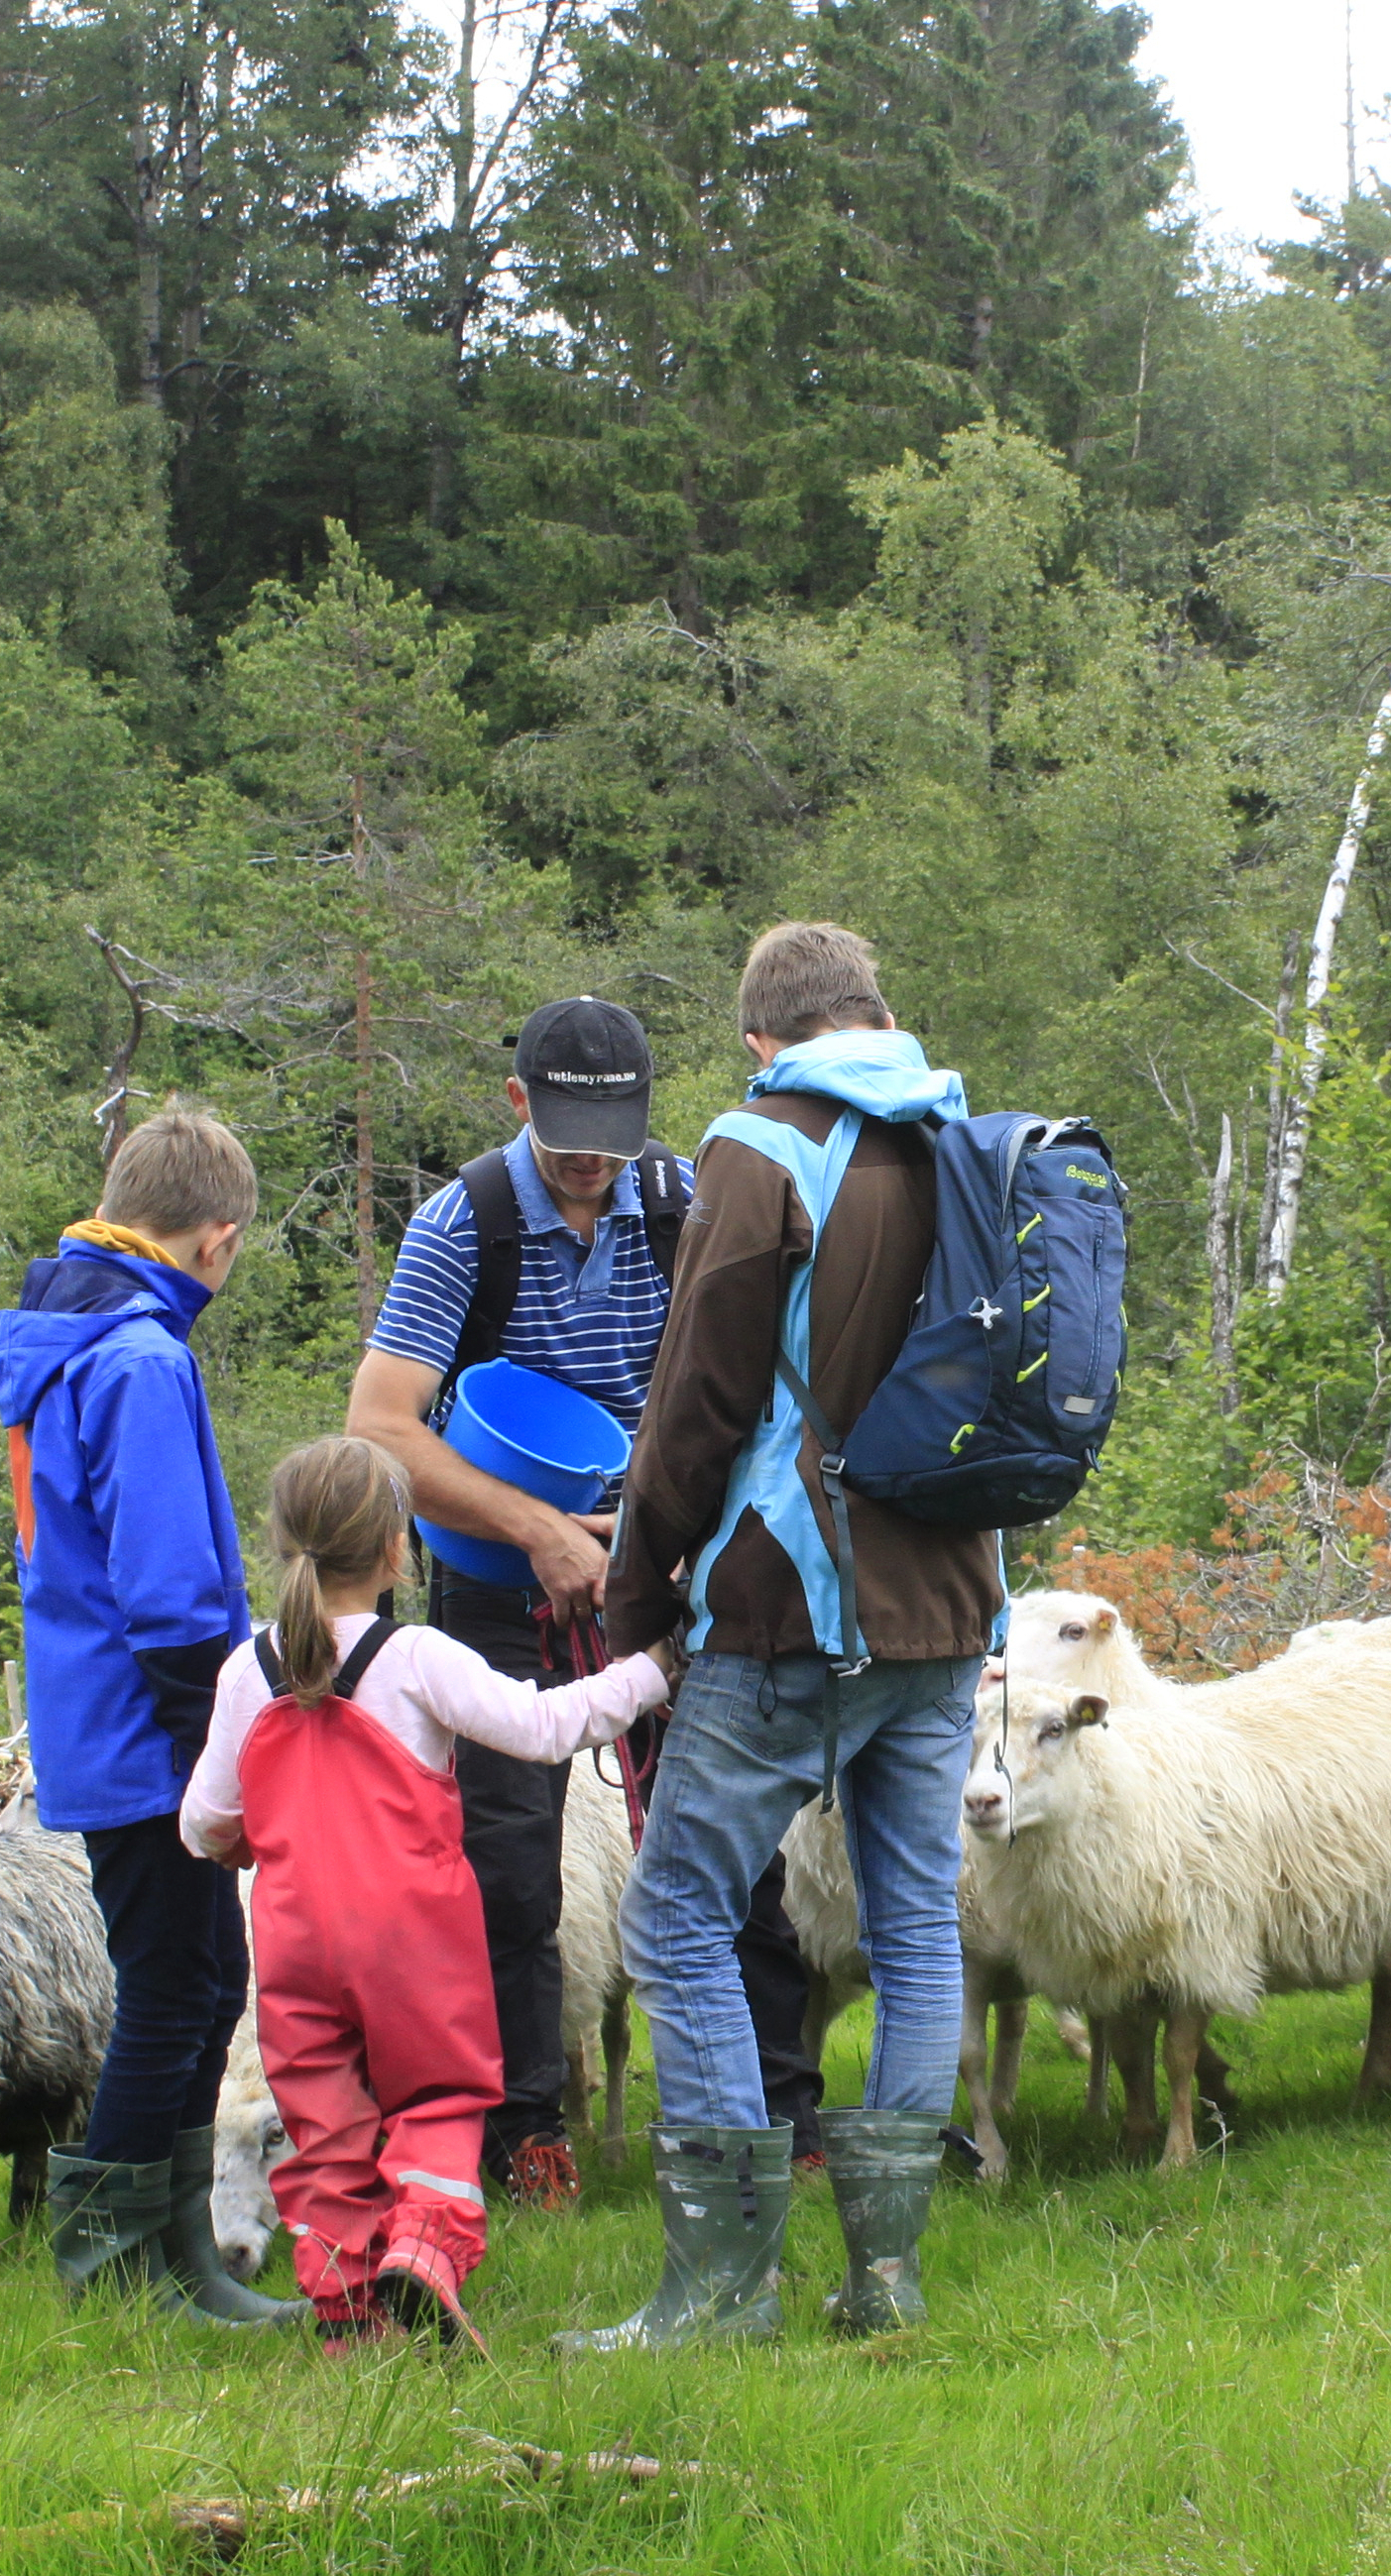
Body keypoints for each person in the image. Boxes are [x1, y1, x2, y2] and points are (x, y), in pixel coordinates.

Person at [564, 923, 1003, 2354]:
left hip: (790, 1606)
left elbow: (697, 1395)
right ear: (876, 1011)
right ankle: (885, 2280)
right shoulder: (964, 1137)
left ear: (763, 1039)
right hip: (949, 1602)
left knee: (676, 1908)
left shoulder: (763, 1146)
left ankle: (720, 2289)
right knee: (916, 1920)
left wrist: (636, 1595)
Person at [347, 994, 825, 2211]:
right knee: (510, 1862)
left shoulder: (682, 1203)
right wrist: (544, 1533)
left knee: (735, 1839)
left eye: (608, 1137)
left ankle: (779, 2113)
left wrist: (667, 1534)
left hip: (665, 1572)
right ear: (518, 1105)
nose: (587, 1161)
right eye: (564, 1134)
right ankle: (525, 2132)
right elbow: (382, 1427)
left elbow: (760, 1387)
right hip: (504, 1592)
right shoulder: (465, 1224)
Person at [181, 1436, 669, 2349]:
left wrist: (249, 1837)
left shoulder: (247, 1671)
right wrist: (648, 1674)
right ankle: (425, 2250)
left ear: (284, 1545)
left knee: (324, 2130)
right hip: (415, 1943)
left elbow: (204, 1822)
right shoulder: (417, 1657)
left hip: (293, 1948)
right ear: (398, 1549)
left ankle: (348, 2317)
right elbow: (544, 1725)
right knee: (439, 2101)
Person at [0, 1108, 299, 2323]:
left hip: (95, 1721)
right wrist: (217, 1756)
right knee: (175, 1994)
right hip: (151, 1738)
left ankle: (180, 2261)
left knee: (208, 1985)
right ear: (216, 1240)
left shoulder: (67, 1332)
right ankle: (114, 2273)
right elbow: (170, 1590)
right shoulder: (140, 1360)